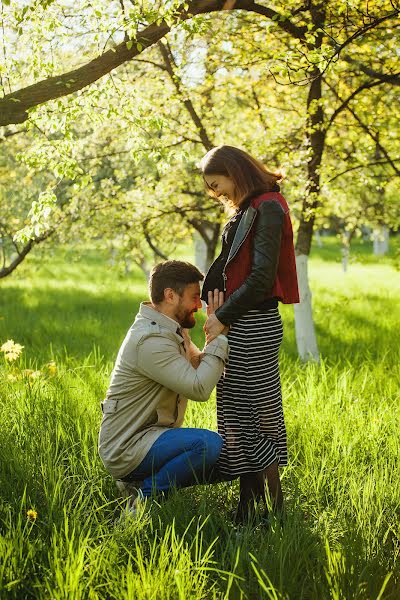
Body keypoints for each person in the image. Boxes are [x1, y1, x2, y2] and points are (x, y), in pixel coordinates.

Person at [199, 145, 299, 523]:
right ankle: (249, 508)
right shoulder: (247, 210)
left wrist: (223, 316)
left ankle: (275, 510)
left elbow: (260, 278)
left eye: (217, 184)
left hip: (253, 323)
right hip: (238, 322)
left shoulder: (269, 207)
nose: (217, 193)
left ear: (235, 171)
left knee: (255, 414)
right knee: (235, 416)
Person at [98, 260, 229, 515]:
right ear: (170, 295)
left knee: (233, 456)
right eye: (194, 297)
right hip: (127, 447)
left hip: (150, 437)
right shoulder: (150, 340)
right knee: (207, 446)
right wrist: (219, 337)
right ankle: (141, 505)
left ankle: (137, 484)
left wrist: (218, 333)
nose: (198, 305)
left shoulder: (170, 330)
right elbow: (199, 387)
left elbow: (197, 365)